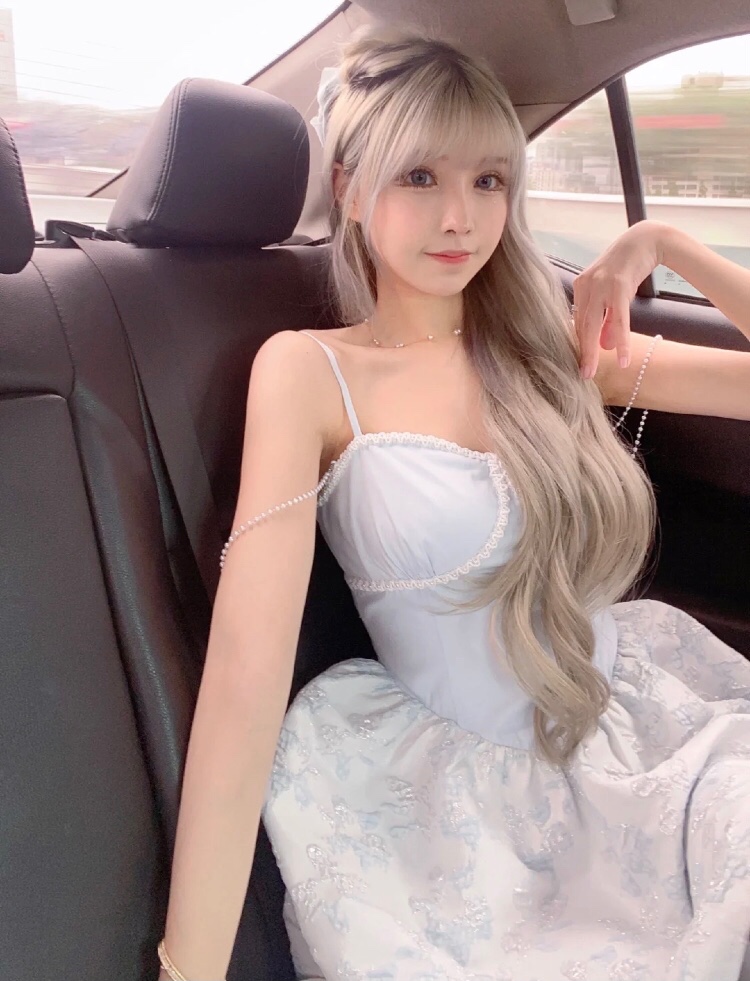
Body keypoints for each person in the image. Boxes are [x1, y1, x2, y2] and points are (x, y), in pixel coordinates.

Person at [157, 27, 750, 981]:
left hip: (642, 730)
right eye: (420, 176)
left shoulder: (551, 348)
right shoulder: (309, 372)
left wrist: (663, 242)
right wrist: (187, 966)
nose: (460, 218)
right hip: (464, 806)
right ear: (351, 189)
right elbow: (244, 674)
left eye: (489, 180)